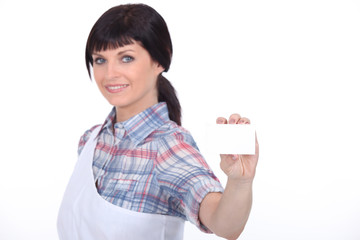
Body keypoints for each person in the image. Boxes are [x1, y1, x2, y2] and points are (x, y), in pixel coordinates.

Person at [57, 3, 259, 240]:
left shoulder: (169, 146)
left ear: (160, 61)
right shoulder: (90, 141)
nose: (110, 74)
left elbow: (224, 224)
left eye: (126, 58)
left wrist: (240, 182)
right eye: (100, 60)